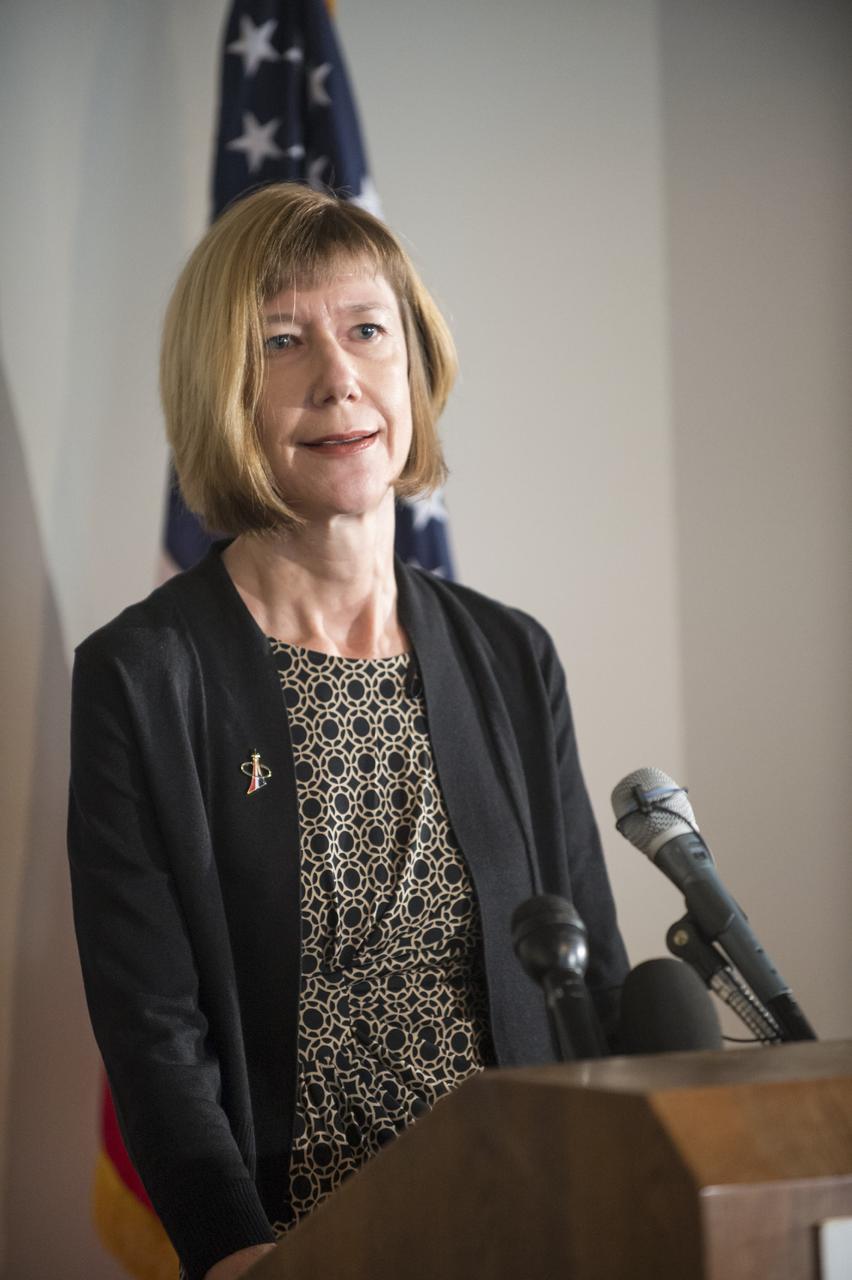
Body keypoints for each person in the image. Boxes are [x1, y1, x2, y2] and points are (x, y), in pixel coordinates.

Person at [68, 183, 629, 1280]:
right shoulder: (144, 676)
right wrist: (238, 1253)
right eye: (282, 341)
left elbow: (591, 977)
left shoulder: (512, 654)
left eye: (368, 330)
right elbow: (153, 1028)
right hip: (304, 1249)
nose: (339, 377)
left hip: (539, 1226)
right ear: (220, 387)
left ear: (412, 361)